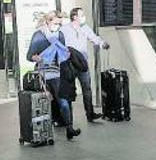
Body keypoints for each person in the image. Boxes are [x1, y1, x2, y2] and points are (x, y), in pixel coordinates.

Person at [27, 11, 81, 140]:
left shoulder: (60, 35)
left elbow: (62, 51)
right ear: (48, 22)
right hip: (43, 74)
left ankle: (69, 128)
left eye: (59, 24)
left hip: (58, 73)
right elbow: (29, 56)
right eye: (56, 23)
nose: (57, 26)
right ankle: (43, 132)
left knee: (64, 101)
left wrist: (66, 53)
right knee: (45, 104)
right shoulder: (39, 36)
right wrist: (37, 57)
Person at [61, 7, 109, 122]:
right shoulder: (64, 29)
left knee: (87, 89)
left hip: (82, 64)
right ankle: (67, 119)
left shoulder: (85, 28)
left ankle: (90, 114)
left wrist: (102, 44)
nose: (83, 17)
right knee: (69, 91)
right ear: (75, 17)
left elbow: (94, 38)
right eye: (81, 15)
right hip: (70, 64)